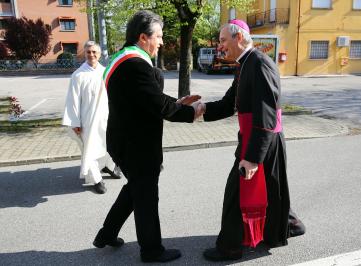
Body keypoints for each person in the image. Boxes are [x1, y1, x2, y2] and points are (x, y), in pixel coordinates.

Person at [92, 10, 202, 263]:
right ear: (143, 37)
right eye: (159, 36)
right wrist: (189, 112)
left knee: (136, 189)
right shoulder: (135, 65)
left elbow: (146, 101)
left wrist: (177, 103)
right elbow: (157, 104)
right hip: (137, 146)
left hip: (126, 141)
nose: (162, 42)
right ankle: (151, 250)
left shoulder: (124, 60)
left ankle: (106, 233)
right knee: (146, 197)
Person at [197, 20, 305, 261]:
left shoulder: (259, 63)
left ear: (239, 38)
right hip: (256, 137)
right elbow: (228, 103)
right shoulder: (245, 63)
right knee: (272, 187)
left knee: (235, 192)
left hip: (262, 140)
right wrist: (201, 108)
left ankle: (230, 247)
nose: (220, 46)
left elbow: (266, 113)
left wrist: (253, 158)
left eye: (223, 40)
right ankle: (291, 223)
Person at [62, 41, 122, 194]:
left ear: (100, 54)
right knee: (90, 149)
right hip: (87, 120)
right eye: (88, 52)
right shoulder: (78, 75)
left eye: (94, 52)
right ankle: (96, 179)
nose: (91, 55)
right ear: (85, 53)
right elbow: (73, 100)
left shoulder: (105, 72)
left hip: (106, 117)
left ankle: (108, 166)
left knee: (108, 144)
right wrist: (74, 122)